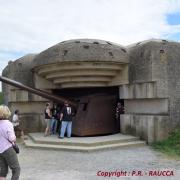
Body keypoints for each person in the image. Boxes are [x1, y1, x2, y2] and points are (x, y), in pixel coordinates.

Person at [0, 105, 20, 180]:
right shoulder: (8, 124)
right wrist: (14, 138)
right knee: (16, 169)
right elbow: (12, 139)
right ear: (6, 113)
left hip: (0, 150)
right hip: (8, 149)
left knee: (3, 170)